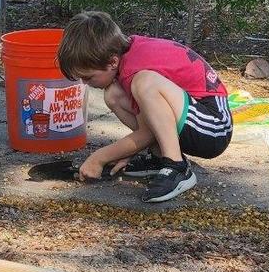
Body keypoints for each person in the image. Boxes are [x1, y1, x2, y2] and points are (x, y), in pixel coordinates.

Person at [57, 11, 232, 203]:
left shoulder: (135, 72)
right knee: (113, 94)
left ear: (112, 61)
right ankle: (159, 157)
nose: (84, 83)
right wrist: (126, 151)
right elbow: (148, 125)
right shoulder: (127, 55)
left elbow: (146, 133)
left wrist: (99, 158)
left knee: (145, 83)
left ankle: (176, 166)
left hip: (213, 127)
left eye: (88, 77)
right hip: (194, 118)